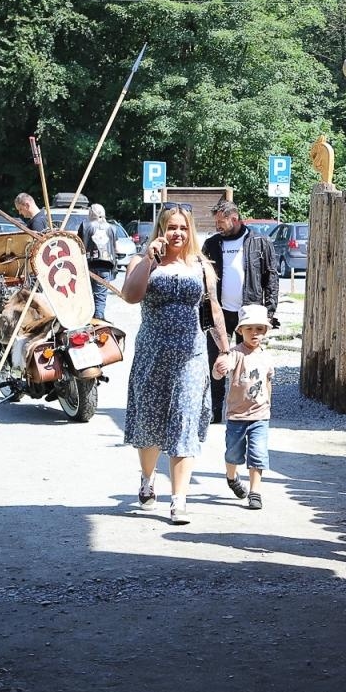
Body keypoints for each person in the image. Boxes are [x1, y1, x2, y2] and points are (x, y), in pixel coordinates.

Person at [119, 205, 232, 525]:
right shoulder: (142, 263)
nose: (177, 233)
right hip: (153, 354)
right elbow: (129, 296)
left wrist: (224, 349)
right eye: (171, 227)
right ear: (160, 230)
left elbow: (213, 310)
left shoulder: (201, 265)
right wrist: (149, 261)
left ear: (190, 230)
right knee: (149, 424)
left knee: (184, 421)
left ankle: (179, 500)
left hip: (191, 357)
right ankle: (146, 478)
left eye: (183, 227)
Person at [202, 200, 280, 422]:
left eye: (221, 222)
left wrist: (269, 311)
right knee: (216, 359)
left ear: (234, 219)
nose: (217, 226)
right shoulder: (212, 244)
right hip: (220, 313)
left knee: (247, 362)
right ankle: (216, 411)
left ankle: (247, 409)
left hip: (249, 313)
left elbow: (271, 277)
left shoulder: (259, 242)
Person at [213, 303, 275, 511]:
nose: (254, 333)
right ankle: (232, 477)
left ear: (265, 331)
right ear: (240, 331)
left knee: (258, 453)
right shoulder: (235, 354)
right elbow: (219, 372)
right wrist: (218, 369)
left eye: (259, 329)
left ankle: (255, 492)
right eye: (249, 329)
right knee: (233, 454)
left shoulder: (266, 356)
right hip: (237, 415)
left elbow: (268, 382)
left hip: (260, 415)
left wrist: (268, 404)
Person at [78, 202, 116, 321]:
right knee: (100, 295)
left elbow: (79, 244)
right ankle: (99, 319)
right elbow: (115, 247)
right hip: (106, 265)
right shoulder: (112, 228)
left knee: (87, 295)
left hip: (88, 264)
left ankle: (87, 318)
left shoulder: (85, 226)